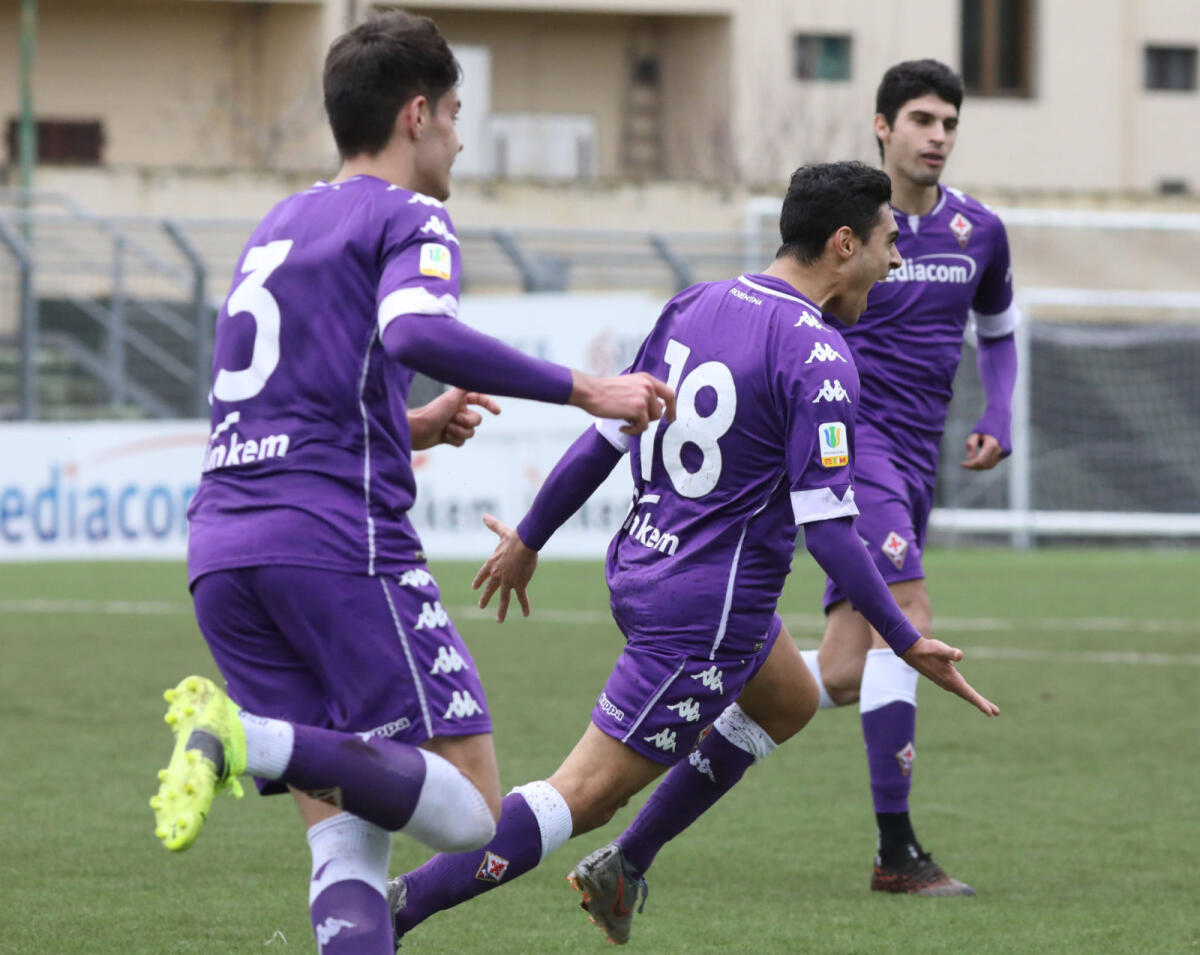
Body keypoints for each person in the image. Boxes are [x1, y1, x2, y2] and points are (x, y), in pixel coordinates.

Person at [148, 12, 673, 955]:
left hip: (223, 548)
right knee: (471, 808)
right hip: (331, 542)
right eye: (458, 115)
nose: (462, 140)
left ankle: (252, 741)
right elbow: (415, 332)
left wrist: (412, 423)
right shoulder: (409, 215)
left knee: (347, 843)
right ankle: (241, 737)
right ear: (418, 114)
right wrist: (588, 387)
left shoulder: (278, 224)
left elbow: (286, 390)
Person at [386, 161, 999, 948]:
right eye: (888, 243)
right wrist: (905, 638)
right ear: (844, 244)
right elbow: (829, 534)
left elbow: (607, 437)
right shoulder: (820, 356)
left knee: (788, 698)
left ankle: (626, 864)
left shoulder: (696, 302)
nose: (895, 261)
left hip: (647, 567)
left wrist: (531, 538)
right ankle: (399, 906)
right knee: (584, 792)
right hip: (706, 612)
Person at [794, 59, 1020, 897]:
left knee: (843, 670)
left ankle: (705, 692)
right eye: (922, 119)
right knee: (910, 620)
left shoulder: (980, 231)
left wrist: (999, 411)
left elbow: (999, 331)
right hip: (854, 444)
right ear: (883, 126)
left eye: (950, 123)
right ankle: (897, 852)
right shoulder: (847, 229)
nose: (938, 136)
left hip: (917, 458)